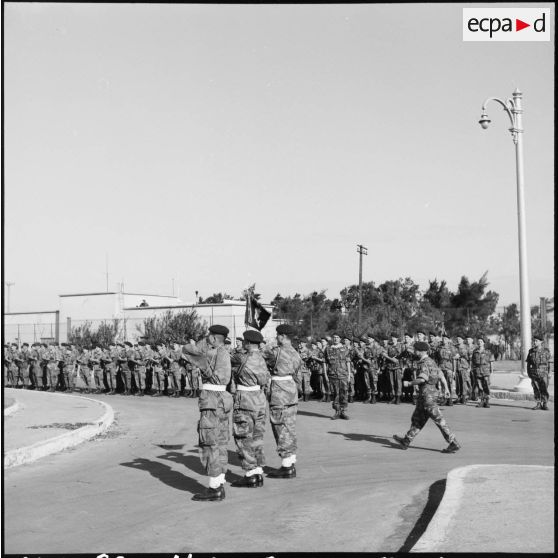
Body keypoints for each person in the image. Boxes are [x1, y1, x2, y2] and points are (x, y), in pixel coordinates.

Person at [182, 325, 233, 501]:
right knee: (220, 441)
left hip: (211, 399)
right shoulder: (224, 352)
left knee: (209, 441)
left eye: (209, 336)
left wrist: (203, 341)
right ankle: (219, 483)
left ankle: (214, 488)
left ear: (212, 338)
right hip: (222, 398)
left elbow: (187, 349)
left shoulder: (212, 353)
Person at [393, 342, 461, 453]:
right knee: (417, 419)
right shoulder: (432, 361)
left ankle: (453, 442)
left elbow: (422, 379)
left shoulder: (423, 363)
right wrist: (447, 389)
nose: (414, 352)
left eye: (415, 350)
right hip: (428, 395)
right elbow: (441, 376)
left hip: (427, 396)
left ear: (420, 351)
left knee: (439, 420)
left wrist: (409, 384)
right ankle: (406, 440)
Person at [229, 330, 270, 487]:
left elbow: (225, 358)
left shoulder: (242, 357)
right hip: (259, 397)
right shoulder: (261, 357)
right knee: (257, 436)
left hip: (245, 398)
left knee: (244, 436)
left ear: (247, 342)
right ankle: (258, 471)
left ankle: (250, 474)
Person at [263, 323, 302, 478]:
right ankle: (291, 460)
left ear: (283, 336)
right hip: (291, 390)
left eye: (278, 335)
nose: (276, 337)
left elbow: (261, 355)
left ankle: (287, 466)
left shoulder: (276, 352)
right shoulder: (295, 353)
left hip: (279, 391)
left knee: (280, 427)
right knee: (290, 426)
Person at [324, 333, 352, 419]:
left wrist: (349, 374)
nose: (335, 339)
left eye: (337, 337)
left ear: (340, 339)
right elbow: (324, 362)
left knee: (344, 393)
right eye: (334, 337)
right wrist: (325, 374)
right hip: (333, 374)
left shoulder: (345, 349)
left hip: (343, 374)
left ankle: (343, 411)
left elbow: (348, 362)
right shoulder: (328, 349)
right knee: (335, 393)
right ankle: (337, 411)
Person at [526, 335, 552, 411]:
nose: (534, 342)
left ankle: (545, 404)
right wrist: (528, 373)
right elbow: (528, 363)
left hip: (543, 373)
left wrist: (550, 373)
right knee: (536, 388)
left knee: (544, 388)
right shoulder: (531, 351)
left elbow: (549, 362)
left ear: (541, 342)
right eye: (534, 341)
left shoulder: (546, 351)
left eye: (536, 341)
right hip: (534, 373)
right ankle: (538, 403)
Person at [471, 337, 494, 408]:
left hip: (485, 370)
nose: (479, 343)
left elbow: (491, 362)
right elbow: (473, 362)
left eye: (481, 341)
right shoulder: (475, 351)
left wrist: (492, 371)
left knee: (486, 385)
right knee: (479, 386)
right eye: (478, 341)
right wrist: (473, 369)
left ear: (484, 343)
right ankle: (481, 400)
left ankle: (487, 401)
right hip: (477, 370)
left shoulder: (488, 351)